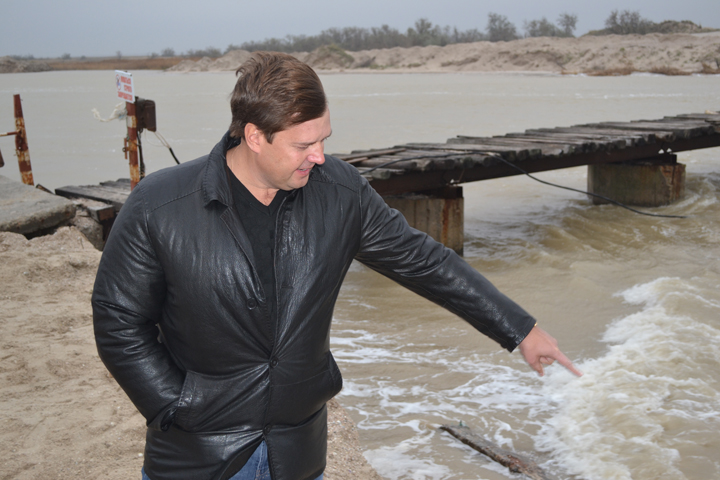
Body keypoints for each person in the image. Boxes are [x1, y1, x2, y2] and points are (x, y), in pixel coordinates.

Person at [92, 51, 581, 480]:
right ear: (255, 136)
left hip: (299, 450)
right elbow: (118, 320)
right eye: (303, 145)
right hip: (197, 455)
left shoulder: (341, 194)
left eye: (323, 138)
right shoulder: (159, 205)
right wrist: (176, 406)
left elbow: (424, 261)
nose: (320, 156)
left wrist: (519, 328)